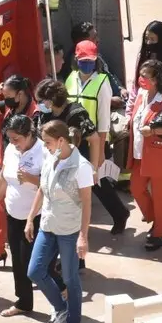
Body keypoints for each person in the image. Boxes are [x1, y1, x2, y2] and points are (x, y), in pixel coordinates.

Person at [26, 119, 92, 323]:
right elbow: (42, 190)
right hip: (48, 225)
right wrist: (30, 218)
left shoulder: (81, 167)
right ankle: (60, 309)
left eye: (48, 143)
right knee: (35, 270)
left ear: (61, 141)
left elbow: (87, 203)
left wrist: (83, 236)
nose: (45, 147)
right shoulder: (51, 158)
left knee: (70, 278)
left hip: (69, 230)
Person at [44, 62, 130, 236]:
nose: (42, 104)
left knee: (98, 185)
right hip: (60, 158)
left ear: (53, 100)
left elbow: (94, 138)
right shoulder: (48, 113)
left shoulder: (75, 113)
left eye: (44, 100)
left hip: (81, 156)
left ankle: (120, 214)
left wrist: (93, 166)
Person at [0, 113, 46, 317]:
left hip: (37, 216)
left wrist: (32, 178)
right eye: (10, 139)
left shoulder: (44, 151)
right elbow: (3, 177)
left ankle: (62, 290)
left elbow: (54, 186)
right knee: (19, 262)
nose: (13, 143)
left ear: (29, 134)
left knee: (35, 264)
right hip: (14, 213)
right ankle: (23, 301)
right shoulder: (11, 149)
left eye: (17, 139)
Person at [128, 59, 162, 251]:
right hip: (139, 152)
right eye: (140, 75)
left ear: (157, 79)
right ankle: (158, 220)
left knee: (160, 196)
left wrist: (153, 131)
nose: (141, 79)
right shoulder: (142, 94)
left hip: (158, 153)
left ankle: (159, 233)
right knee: (136, 188)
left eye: (146, 76)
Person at [0, 73, 33, 269]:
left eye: (9, 95)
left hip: (26, 168)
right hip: (7, 165)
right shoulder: (10, 107)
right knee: (0, 209)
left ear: (20, 94)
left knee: (28, 214)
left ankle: (33, 262)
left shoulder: (34, 112)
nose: (6, 98)